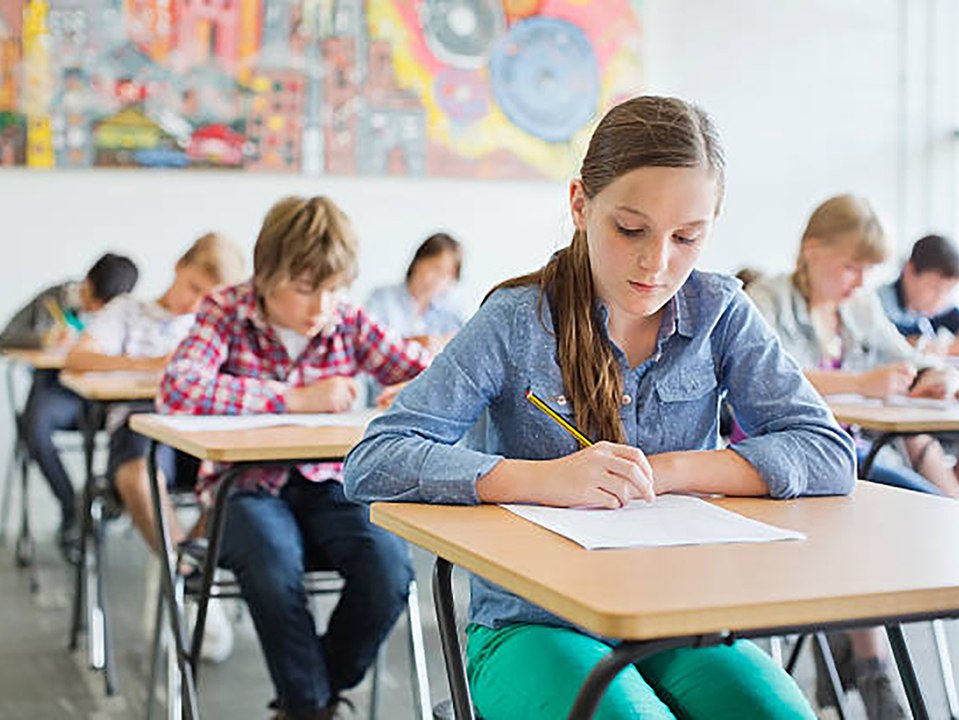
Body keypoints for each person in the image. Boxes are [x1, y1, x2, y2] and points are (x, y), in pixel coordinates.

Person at [343, 96, 855, 720]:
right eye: (631, 229)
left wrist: (663, 471)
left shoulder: (720, 313)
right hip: (533, 625)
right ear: (581, 205)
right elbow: (374, 460)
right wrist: (541, 481)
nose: (657, 262)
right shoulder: (515, 322)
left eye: (688, 237)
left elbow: (827, 451)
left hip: (678, 614)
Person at [157, 196, 432, 719]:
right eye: (306, 289)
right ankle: (314, 707)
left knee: (390, 569)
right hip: (244, 489)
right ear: (266, 276)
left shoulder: (346, 320)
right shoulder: (226, 310)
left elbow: (432, 372)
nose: (321, 307)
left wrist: (416, 392)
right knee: (272, 563)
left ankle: (310, 701)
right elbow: (178, 388)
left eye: (333, 289)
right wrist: (291, 398)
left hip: (333, 483)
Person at [745, 194, 954, 719]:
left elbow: (905, 357)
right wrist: (863, 382)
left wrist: (929, 378)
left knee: (926, 514)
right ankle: (871, 663)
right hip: (785, 458)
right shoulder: (766, 299)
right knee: (873, 522)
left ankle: (859, 648)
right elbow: (766, 378)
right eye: (851, 267)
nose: (860, 283)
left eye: (867, 271)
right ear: (812, 250)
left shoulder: (857, 307)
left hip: (847, 455)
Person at [64, 233, 245, 553]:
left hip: (198, 423)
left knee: (245, 475)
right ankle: (179, 568)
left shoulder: (216, 326)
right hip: (139, 418)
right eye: (194, 288)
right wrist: (152, 365)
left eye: (208, 297)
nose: (195, 303)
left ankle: (197, 565)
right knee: (139, 475)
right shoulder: (128, 312)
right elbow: (77, 358)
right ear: (179, 266)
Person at [0, 252, 139, 562]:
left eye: (103, 307)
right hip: (56, 389)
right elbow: (6, 338)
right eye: (92, 298)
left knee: (135, 429)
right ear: (85, 283)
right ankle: (72, 507)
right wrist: (45, 339)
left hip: (102, 396)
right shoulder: (54, 300)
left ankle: (99, 505)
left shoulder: (127, 315)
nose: (93, 309)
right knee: (34, 427)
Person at [364, 232, 464, 405]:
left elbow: (466, 352)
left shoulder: (452, 312)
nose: (440, 279)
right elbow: (364, 347)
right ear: (418, 262)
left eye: (448, 274)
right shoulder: (382, 299)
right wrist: (409, 345)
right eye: (436, 268)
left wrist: (441, 344)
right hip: (382, 398)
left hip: (430, 401)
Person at [877, 233, 959, 352]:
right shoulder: (879, 305)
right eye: (933, 288)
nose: (939, 298)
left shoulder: (935, 307)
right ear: (909, 270)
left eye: (948, 291)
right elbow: (883, 344)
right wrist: (921, 344)